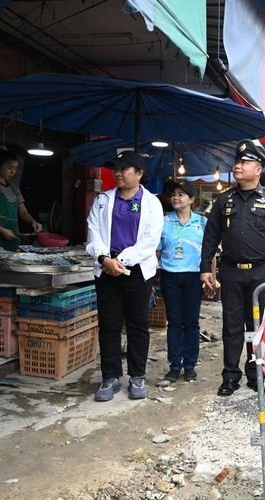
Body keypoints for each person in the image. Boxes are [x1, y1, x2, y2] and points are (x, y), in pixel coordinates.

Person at [200, 139, 265, 397]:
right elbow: (211, 235)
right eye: (237, 162)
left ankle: (255, 373)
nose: (238, 166)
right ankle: (230, 375)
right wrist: (206, 267)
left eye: (244, 162)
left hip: (261, 273)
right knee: (231, 325)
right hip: (231, 271)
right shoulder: (224, 199)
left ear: (258, 168)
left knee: (258, 327)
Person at [86, 151, 163, 401]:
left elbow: (150, 240)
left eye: (125, 168)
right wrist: (104, 259)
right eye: (116, 168)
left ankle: (137, 376)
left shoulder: (152, 203)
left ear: (139, 173)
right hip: (106, 270)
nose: (118, 173)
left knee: (137, 324)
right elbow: (93, 231)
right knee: (109, 324)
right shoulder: (102, 200)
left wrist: (121, 260)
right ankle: (110, 377)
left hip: (137, 271)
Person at [157, 180, 206, 383]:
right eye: (174, 194)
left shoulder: (202, 223)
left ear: (191, 200)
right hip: (169, 276)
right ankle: (175, 366)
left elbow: (209, 252)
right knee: (174, 323)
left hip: (194, 276)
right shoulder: (164, 221)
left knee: (192, 322)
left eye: (181, 194)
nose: (176, 198)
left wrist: (211, 276)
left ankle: (190, 365)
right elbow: (157, 250)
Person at [0, 148, 42, 251]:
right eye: (10, 168)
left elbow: (23, 212)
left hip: (12, 240)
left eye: (15, 169)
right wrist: (1, 230)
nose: (13, 172)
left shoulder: (14, 188)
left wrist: (33, 221)